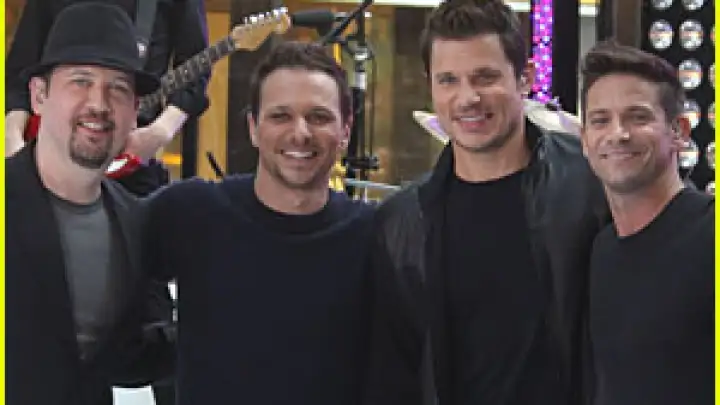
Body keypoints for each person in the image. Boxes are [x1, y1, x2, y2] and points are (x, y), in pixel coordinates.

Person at [362, 0, 610, 404]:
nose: (468, 98)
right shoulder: (401, 221)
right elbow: (394, 371)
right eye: (448, 80)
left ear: (526, 78)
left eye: (485, 77)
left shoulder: (591, 183)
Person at [141, 40, 376, 405]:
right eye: (280, 116)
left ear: (346, 130)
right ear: (253, 127)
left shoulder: (375, 235)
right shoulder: (193, 212)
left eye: (319, 117)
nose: (300, 133)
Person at [5, 4, 176, 405]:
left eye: (118, 88)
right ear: (39, 96)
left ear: (134, 112)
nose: (98, 103)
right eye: (80, 81)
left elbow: (132, 357)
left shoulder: (136, 222)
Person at [580, 41, 714, 405]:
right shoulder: (601, 250)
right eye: (600, 120)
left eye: (638, 117)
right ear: (584, 140)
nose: (618, 134)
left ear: (679, 131)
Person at [5, 0, 211, 196]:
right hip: (44, 154)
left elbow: (195, 67)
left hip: (131, 157)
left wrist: (159, 132)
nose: (97, 103)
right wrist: (12, 136)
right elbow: (19, 71)